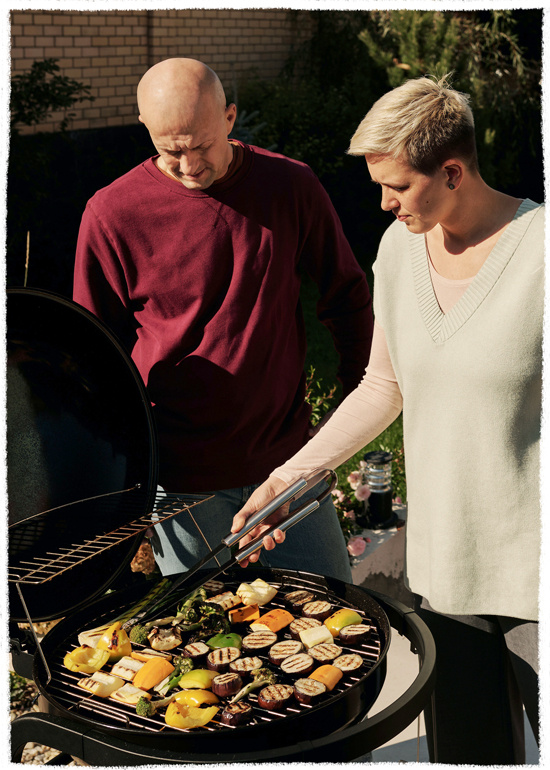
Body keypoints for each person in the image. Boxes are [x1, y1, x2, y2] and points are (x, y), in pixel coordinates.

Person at [232, 74, 543, 765]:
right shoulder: (400, 252)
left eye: (397, 187)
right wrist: (292, 476)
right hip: (445, 571)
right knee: (469, 754)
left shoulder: (541, 254)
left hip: (536, 576)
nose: (383, 203)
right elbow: (383, 385)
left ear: (453, 172)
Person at [72, 57, 373, 584]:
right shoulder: (111, 214)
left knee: (338, 618)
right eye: (170, 150)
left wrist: (354, 408)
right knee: (204, 642)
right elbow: (93, 358)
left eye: (200, 145)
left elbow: (347, 296)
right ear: (145, 129)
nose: (188, 166)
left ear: (230, 117)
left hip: (289, 465)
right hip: (182, 480)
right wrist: (122, 482)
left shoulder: (291, 187)